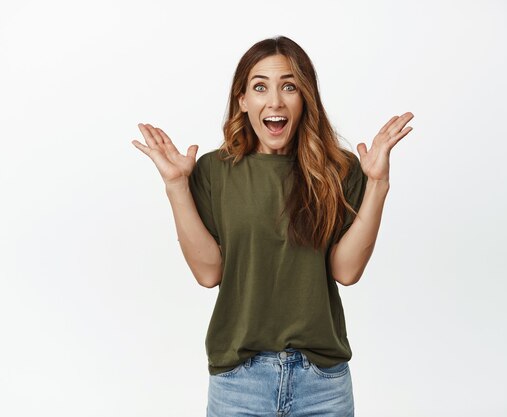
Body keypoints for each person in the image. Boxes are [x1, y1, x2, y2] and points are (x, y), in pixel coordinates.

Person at [132, 35, 414, 417]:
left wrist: (378, 184)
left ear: (305, 98)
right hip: (239, 383)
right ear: (243, 101)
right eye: (260, 86)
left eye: (289, 86)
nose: (275, 101)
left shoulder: (341, 170)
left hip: (322, 385)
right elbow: (208, 272)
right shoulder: (215, 171)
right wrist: (176, 186)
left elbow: (346, 272)